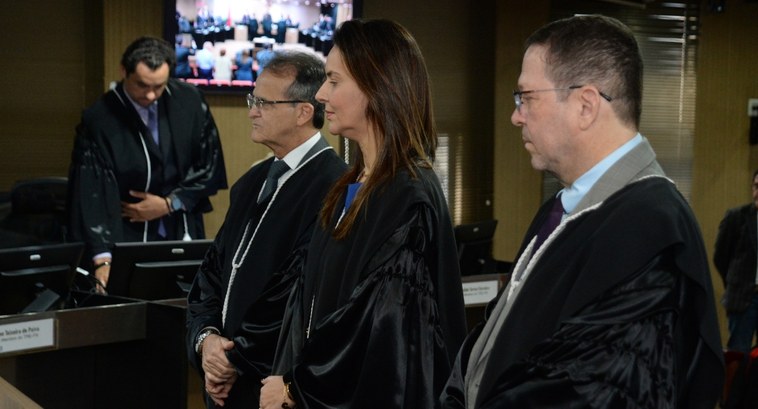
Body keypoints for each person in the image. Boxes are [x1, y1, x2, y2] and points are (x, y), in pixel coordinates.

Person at [439, 15, 723, 409]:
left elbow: (594, 391)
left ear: (585, 106)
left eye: (526, 97)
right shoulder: (562, 210)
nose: (516, 115)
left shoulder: (649, 229)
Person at [259, 19, 467, 409]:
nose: (321, 94)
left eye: (334, 81)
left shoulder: (407, 197)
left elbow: (381, 334)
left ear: (377, 87)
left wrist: (296, 388)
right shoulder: (348, 186)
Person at [186, 51, 347, 408]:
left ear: (303, 112)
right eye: (252, 100)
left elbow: (295, 292)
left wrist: (234, 359)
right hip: (225, 381)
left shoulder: (336, 187)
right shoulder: (252, 181)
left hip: (275, 383)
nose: (252, 111)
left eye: (263, 103)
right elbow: (212, 272)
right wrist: (207, 341)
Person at [67, 36, 227, 290]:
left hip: (180, 224)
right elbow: (90, 192)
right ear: (124, 71)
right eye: (142, 85)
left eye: (159, 86)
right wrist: (102, 257)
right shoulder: (99, 119)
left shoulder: (190, 101)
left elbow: (209, 165)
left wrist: (169, 204)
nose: (151, 95)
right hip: (125, 230)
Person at [715, 169, 758, 355]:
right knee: (738, 356)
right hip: (744, 299)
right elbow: (721, 257)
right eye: (756, 187)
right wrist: (736, 284)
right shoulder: (737, 217)